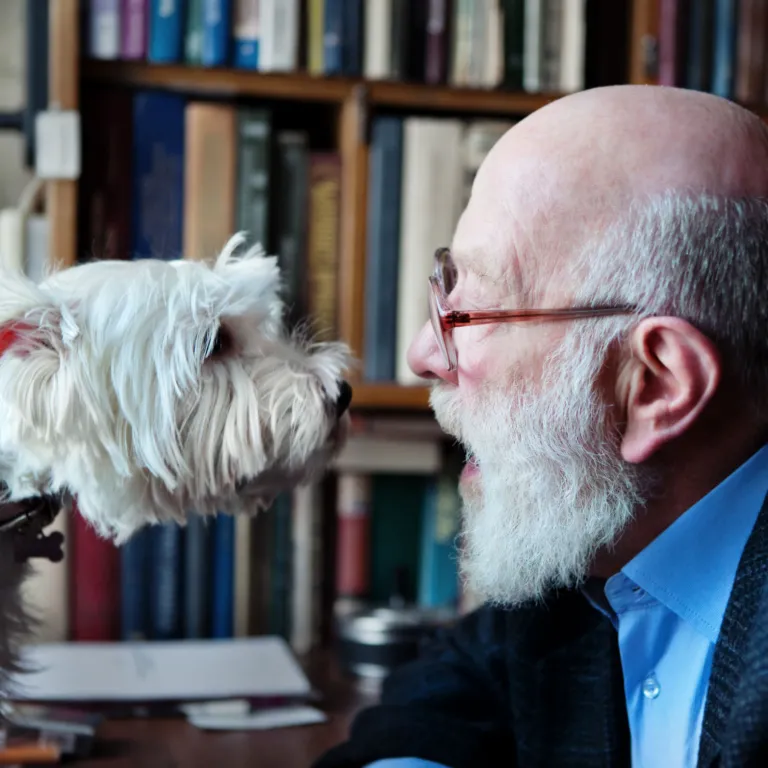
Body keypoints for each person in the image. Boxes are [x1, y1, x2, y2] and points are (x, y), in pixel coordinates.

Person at [313, 84, 768, 768]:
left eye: (468, 312)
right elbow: (443, 696)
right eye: (444, 288)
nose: (422, 355)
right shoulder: (597, 548)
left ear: (655, 386)